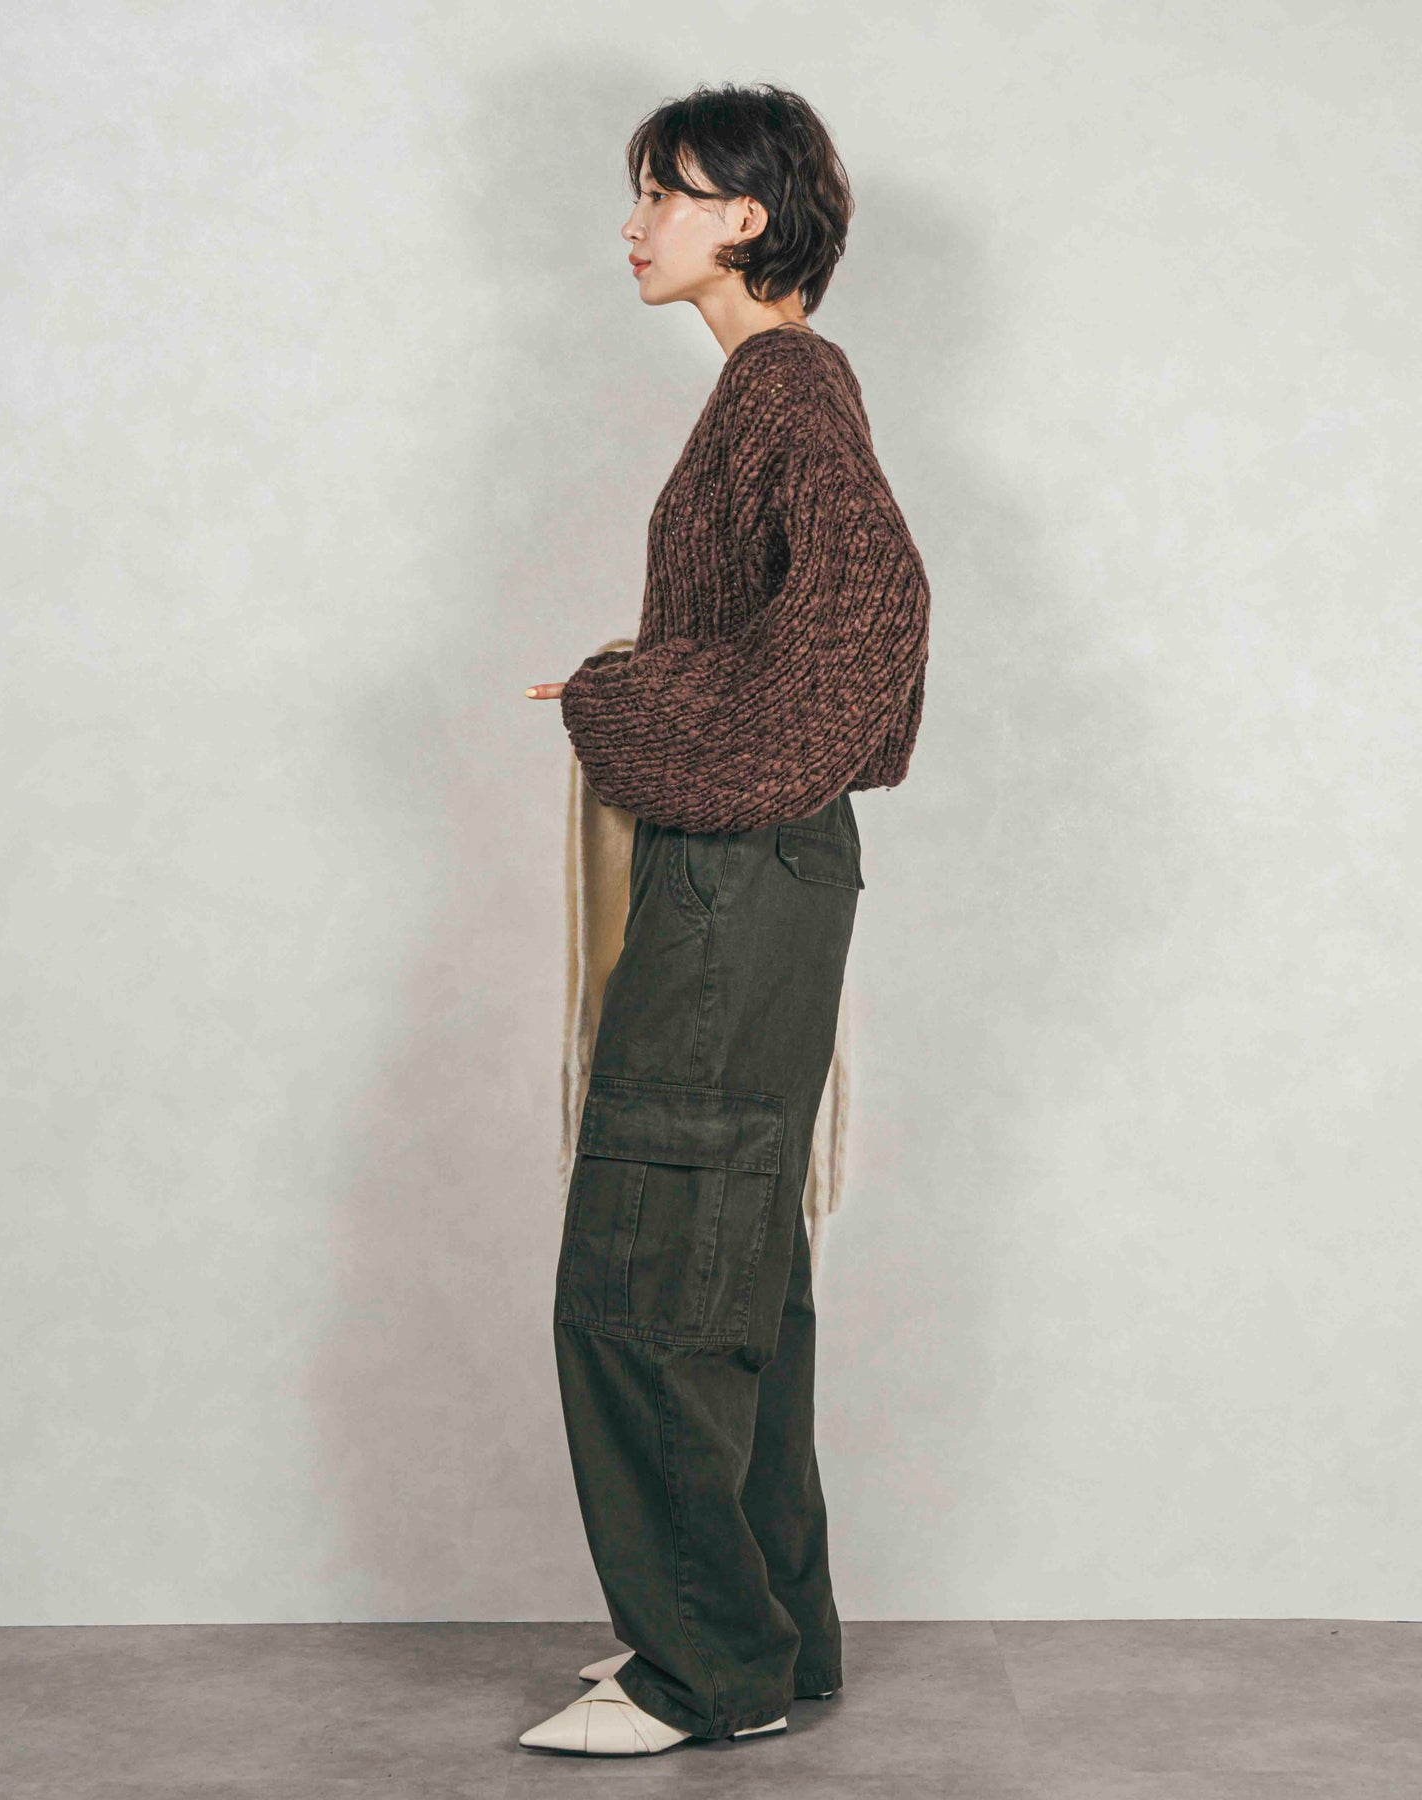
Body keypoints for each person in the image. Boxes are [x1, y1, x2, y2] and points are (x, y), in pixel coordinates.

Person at [519, 80, 931, 1756]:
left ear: (747, 217)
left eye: (666, 195)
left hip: (739, 875)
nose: (636, 226)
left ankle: (705, 1669)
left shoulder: (784, 384)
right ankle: (769, 1638)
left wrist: (628, 703)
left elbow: (871, 619)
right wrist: (654, 689)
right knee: (734, 1262)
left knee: (653, 1259)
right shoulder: (776, 388)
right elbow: (806, 643)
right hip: (763, 868)